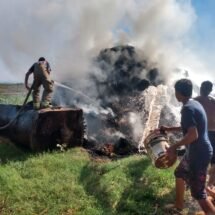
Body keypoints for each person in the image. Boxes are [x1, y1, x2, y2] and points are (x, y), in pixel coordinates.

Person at [160, 79, 215, 214]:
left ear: (179, 92)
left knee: (198, 194)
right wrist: (169, 129)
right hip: (195, 152)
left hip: (199, 154)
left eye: (175, 91)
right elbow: (189, 126)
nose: (175, 94)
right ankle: (178, 206)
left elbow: (193, 135)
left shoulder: (188, 109)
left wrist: (174, 146)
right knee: (180, 173)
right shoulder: (194, 103)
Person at [195, 81, 215, 187]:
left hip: (205, 133)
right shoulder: (213, 100)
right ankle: (210, 185)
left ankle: (203, 185)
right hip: (211, 133)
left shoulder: (196, 100)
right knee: (213, 161)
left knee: (201, 159)